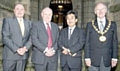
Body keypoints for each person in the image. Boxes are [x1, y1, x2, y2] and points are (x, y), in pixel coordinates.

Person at [85, 2, 118, 71]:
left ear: (106, 11)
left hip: (107, 59)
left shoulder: (112, 25)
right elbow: (87, 43)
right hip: (93, 60)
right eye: (98, 9)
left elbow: (114, 42)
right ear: (95, 12)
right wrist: (87, 57)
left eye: (102, 9)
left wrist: (114, 57)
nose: (100, 11)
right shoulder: (90, 25)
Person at [2, 4, 32, 71]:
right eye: (17, 9)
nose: (19, 11)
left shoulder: (29, 23)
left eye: (21, 9)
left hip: (23, 57)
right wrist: (16, 49)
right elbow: (5, 38)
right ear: (14, 10)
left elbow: (31, 37)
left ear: (24, 11)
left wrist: (25, 48)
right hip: (10, 56)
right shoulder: (7, 21)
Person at [31, 7, 59, 71]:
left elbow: (58, 40)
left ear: (52, 15)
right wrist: (46, 50)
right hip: (40, 58)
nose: (47, 16)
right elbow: (34, 39)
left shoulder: (55, 26)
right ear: (42, 14)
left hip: (53, 57)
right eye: (45, 14)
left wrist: (53, 50)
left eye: (49, 14)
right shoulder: (35, 25)